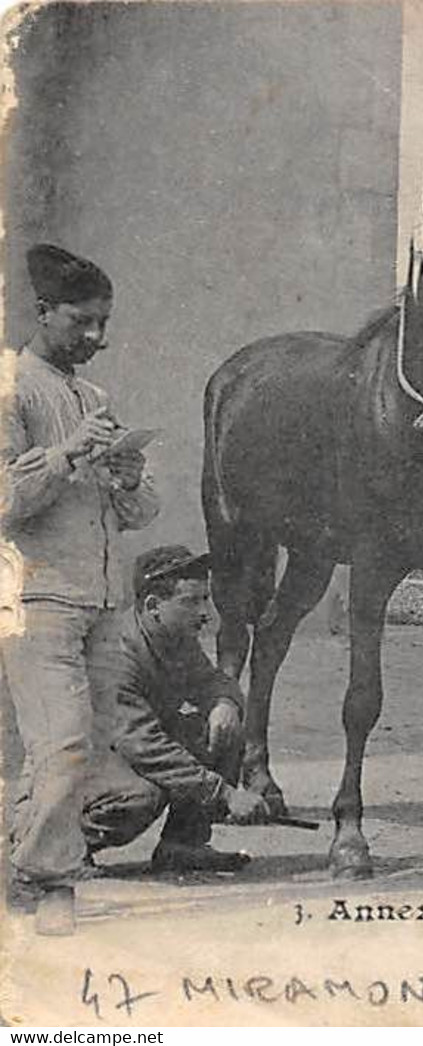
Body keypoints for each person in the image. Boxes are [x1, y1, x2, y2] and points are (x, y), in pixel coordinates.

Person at [1, 244, 160, 936]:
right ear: (43, 313)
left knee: (76, 755)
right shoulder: (11, 385)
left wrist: (125, 475)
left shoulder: (93, 398)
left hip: (99, 600)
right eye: (82, 322)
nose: (96, 337)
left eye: (104, 323)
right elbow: (7, 499)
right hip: (35, 598)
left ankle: (24, 866)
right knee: (62, 749)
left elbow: (141, 511)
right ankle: (48, 879)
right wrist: (68, 454)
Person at [81, 546, 270, 872]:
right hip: (87, 761)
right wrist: (224, 794)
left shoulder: (175, 635)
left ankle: (183, 845)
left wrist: (223, 703)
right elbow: (145, 747)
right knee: (140, 797)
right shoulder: (115, 654)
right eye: (191, 601)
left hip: (129, 747)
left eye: (205, 599)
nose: (205, 613)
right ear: (153, 606)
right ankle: (64, 845)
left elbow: (212, 681)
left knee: (223, 727)